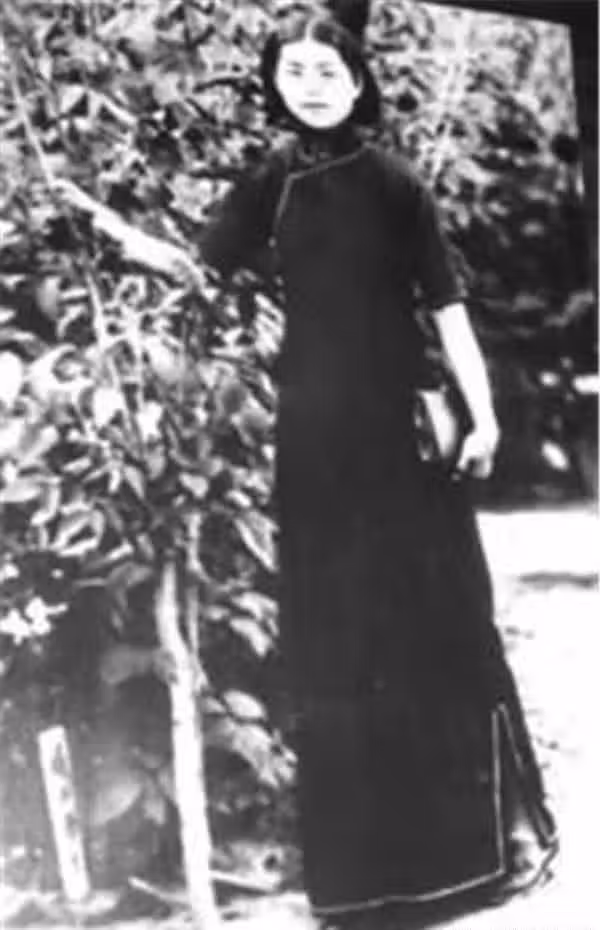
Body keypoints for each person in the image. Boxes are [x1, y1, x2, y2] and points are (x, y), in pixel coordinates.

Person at [55, 2, 557, 925]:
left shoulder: (398, 184)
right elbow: (205, 272)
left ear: (358, 83)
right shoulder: (270, 181)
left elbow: (448, 311)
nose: (313, 87)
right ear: (274, 86)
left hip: (401, 437)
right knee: (337, 643)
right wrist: (109, 233)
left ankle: (463, 865)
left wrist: (484, 417)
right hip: (313, 441)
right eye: (295, 74)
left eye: (330, 73)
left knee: (429, 631)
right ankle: (360, 885)